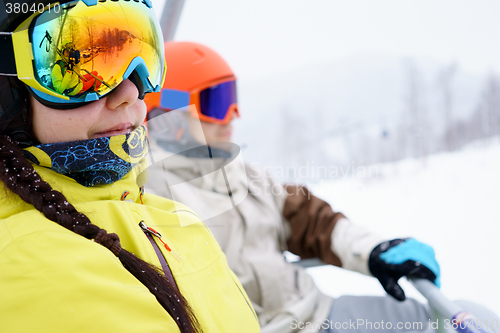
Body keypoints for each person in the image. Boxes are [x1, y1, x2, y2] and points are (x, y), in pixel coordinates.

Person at [144, 41, 500, 333]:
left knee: (469, 319)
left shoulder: (247, 176)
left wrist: (374, 250)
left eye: (233, 97)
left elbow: (313, 223)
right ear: (170, 113)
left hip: (319, 315)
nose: (234, 114)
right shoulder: (148, 198)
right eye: (217, 101)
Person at [0, 2, 260, 332]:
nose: (130, 91)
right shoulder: (22, 264)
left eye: (142, 57)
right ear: (8, 93)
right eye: (78, 63)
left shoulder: (177, 221)